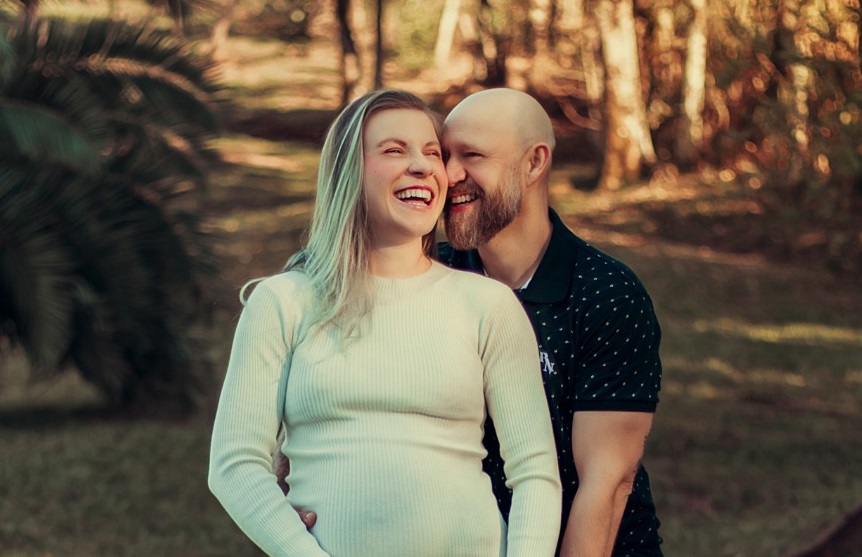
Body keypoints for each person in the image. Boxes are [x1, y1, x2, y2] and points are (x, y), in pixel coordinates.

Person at [208, 89, 562, 557]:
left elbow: (535, 470)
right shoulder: (283, 302)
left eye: (431, 152)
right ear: (347, 173)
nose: (423, 166)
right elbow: (235, 464)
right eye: (394, 150)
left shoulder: (488, 306)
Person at [438, 88, 664, 557]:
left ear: (534, 162)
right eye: (444, 156)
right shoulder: (429, 276)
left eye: (471, 155)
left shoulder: (605, 293)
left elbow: (608, 484)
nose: (450, 174)